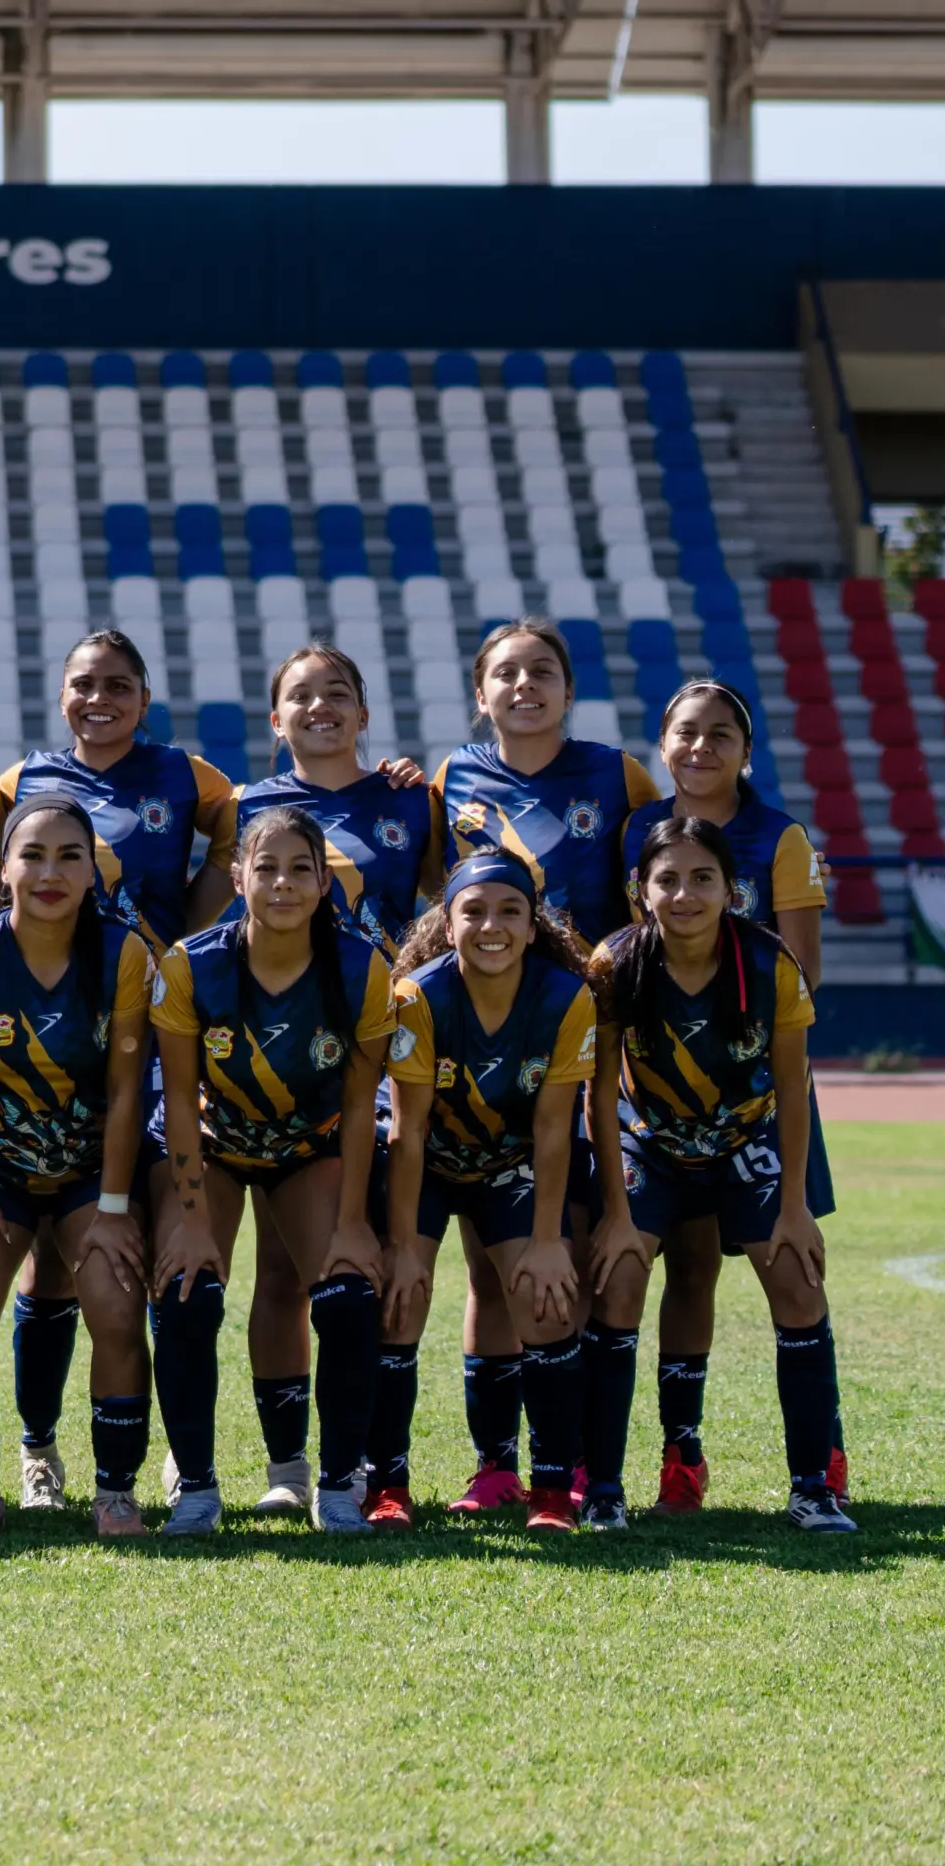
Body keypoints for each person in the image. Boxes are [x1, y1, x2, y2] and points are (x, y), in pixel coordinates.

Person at [0, 630, 238, 1516]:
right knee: (47, 1270)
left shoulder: (188, 776)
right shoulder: (16, 784)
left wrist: (187, 928)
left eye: (119, 685)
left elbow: (243, 838)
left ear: (145, 695)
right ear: (61, 696)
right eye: (85, 685)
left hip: (149, 1023)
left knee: (137, 1256)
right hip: (48, 1029)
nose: (101, 699)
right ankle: (37, 1447)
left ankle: (167, 1454)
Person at [429, 618, 657, 1509]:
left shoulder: (618, 775)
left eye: (544, 671)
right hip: (481, 1046)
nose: (525, 686)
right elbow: (428, 896)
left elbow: (663, 874)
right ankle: (497, 1466)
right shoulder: (449, 778)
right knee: (493, 1266)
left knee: (574, 1256)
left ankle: (590, 1472)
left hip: (587, 1045)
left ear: (569, 688)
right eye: (507, 674)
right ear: (480, 693)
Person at [580, 817, 853, 1533]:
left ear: (732, 890)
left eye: (703, 878)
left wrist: (792, 1208)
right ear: (641, 890)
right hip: (651, 1146)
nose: (684, 894)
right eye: (667, 879)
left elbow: (794, 1090)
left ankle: (812, 1487)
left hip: (743, 1142)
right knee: (619, 1277)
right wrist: (614, 1211)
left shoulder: (770, 964)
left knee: (796, 1276)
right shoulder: (614, 964)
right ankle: (604, 1490)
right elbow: (598, 1091)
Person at [219, 645, 440, 1519]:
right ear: (275, 720)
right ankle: (290, 1470)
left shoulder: (410, 799)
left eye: (337, 694)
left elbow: (447, 898)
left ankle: (378, 1470)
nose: (319, 708)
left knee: (366, 1268)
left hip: (382, 1065)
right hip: (274, 1065)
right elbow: (213, 927)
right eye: (300, 697)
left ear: (364, 714)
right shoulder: (243, 808)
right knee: (280, 1273)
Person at [622, 679, 843, 1510]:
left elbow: (804, 977)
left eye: (722, 735)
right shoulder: (640, 832)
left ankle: (824, 1461)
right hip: (663, 1102)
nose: (702, 748)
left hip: (755, 1096)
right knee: (686, 1271)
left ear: (746, 752)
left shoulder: (780, 838)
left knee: (791, 1266)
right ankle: (684, 1456)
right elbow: (635, 955)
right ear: (664, 744)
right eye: (685, 732)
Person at [147, 806, 395, 1536]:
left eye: (299, 869)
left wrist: (353, 1224)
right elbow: (181, 1100)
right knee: (187, 1292)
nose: (282, 883)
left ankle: (334, 1486)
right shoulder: (191, 964)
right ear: (237, 878)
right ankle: (195, 1489)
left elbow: (359, 1108)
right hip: (213, 1143)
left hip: (310, 1148)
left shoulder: (361, 966)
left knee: (348, 1296)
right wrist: (191, 1220)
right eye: (266, 868)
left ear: (324, 882)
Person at [0, 796, 154, 1537]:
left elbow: (126, 1091)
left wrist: (114, 1206)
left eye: (69, 857)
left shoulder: (124, 954)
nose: (50, 872)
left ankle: (115, 1492)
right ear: (3, 871)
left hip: (93, 1172)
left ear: (93, 873)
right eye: (33, 855)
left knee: (118, 1312)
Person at [367, 853, 597, 1533]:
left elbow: (556, 1130)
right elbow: (407, 1136)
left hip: (508, 1167)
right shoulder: (417, 996)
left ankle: (552, 1490)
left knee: (546, 1300)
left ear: (533, 926)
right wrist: (406, 1248)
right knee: (398, 1303)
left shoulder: (565, 997)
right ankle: (388, 1487)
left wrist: (551, 1242)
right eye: (473, 911)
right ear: (448, 920)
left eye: (509, 912)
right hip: (426, 1164)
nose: (490, 926)